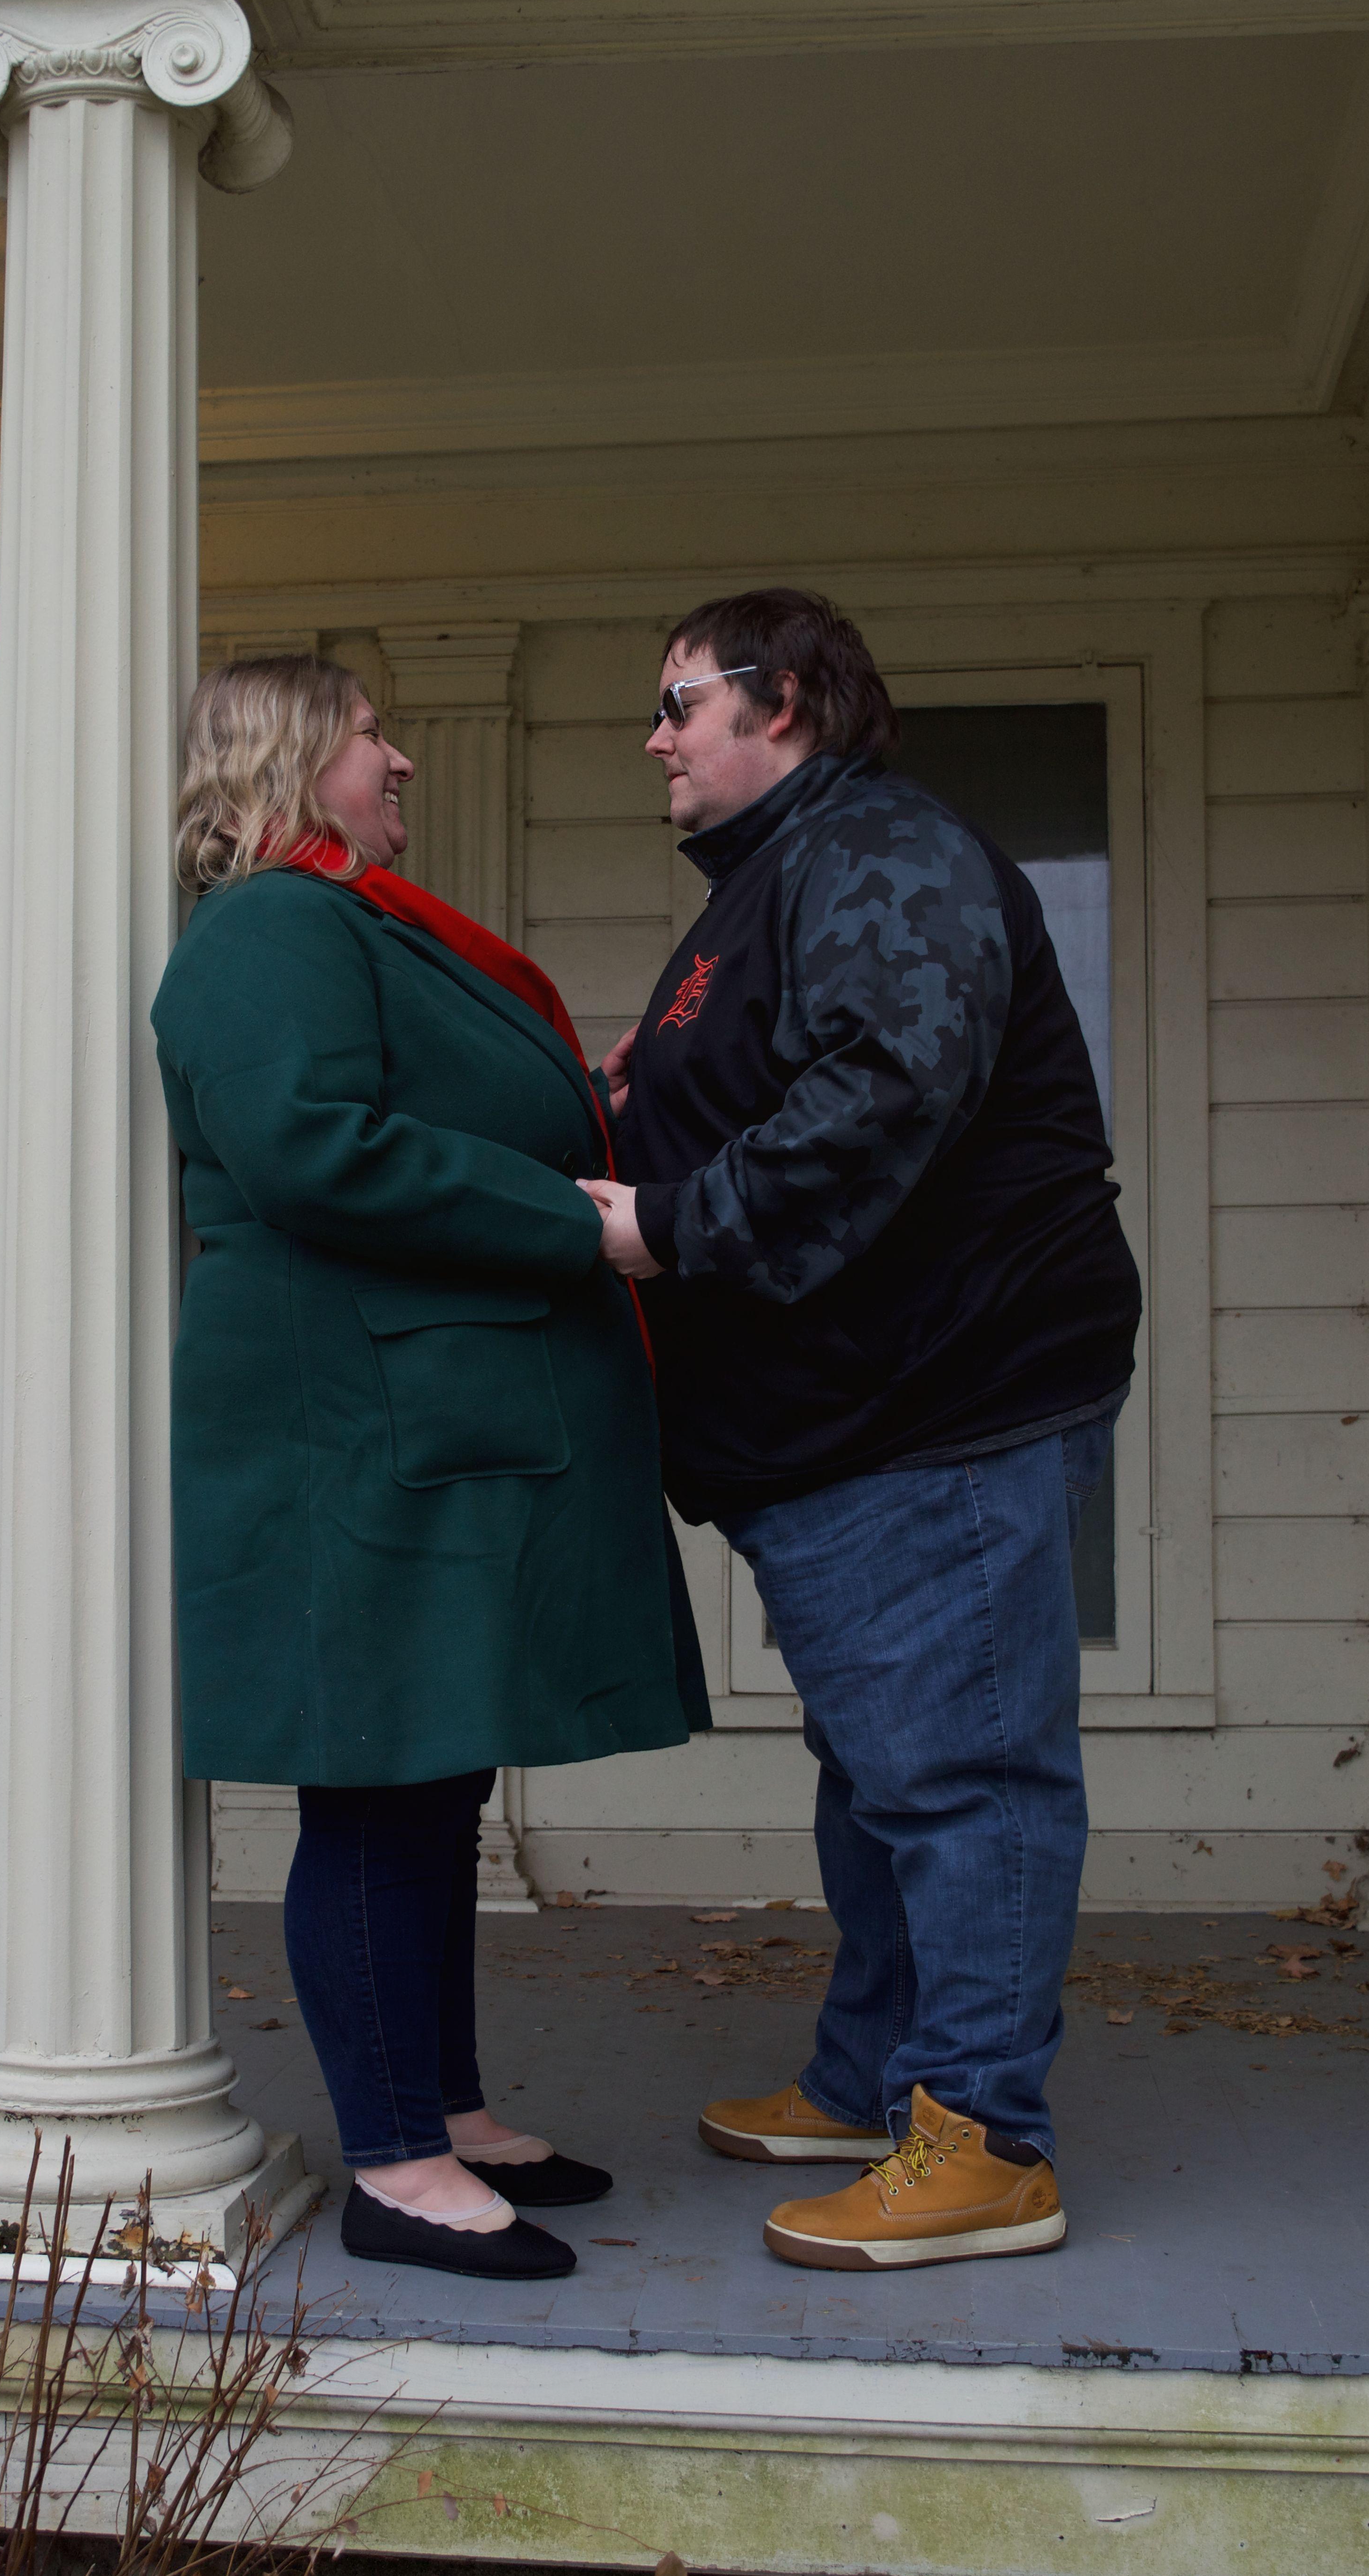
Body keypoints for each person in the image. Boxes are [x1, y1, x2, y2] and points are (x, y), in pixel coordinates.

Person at [575, 587, 1141, 2272]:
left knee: (960, 1776)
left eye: (681, 701)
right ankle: (872, 2080)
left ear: (789, 702)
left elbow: (892, 1082)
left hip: (938, 1402)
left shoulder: (882, 849)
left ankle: (984, 2142)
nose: (656, 738)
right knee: (883, 1772)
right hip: (846, 1421)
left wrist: (665, 1222)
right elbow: (775, 1074)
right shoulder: (779, 879)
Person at [152, 654, 709, 2285]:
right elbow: (311, 1149)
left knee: (431, 1778)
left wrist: (585, 1109)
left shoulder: (352, 924)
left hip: (422, 1419)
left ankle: (443, 2110)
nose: (400, 762)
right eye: (371, 738)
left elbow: (414, 1112)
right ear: (290, 762)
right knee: (379, 1785)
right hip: (357, 1428)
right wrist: (575, 1220)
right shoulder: (270, 926)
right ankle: (396, 2165)